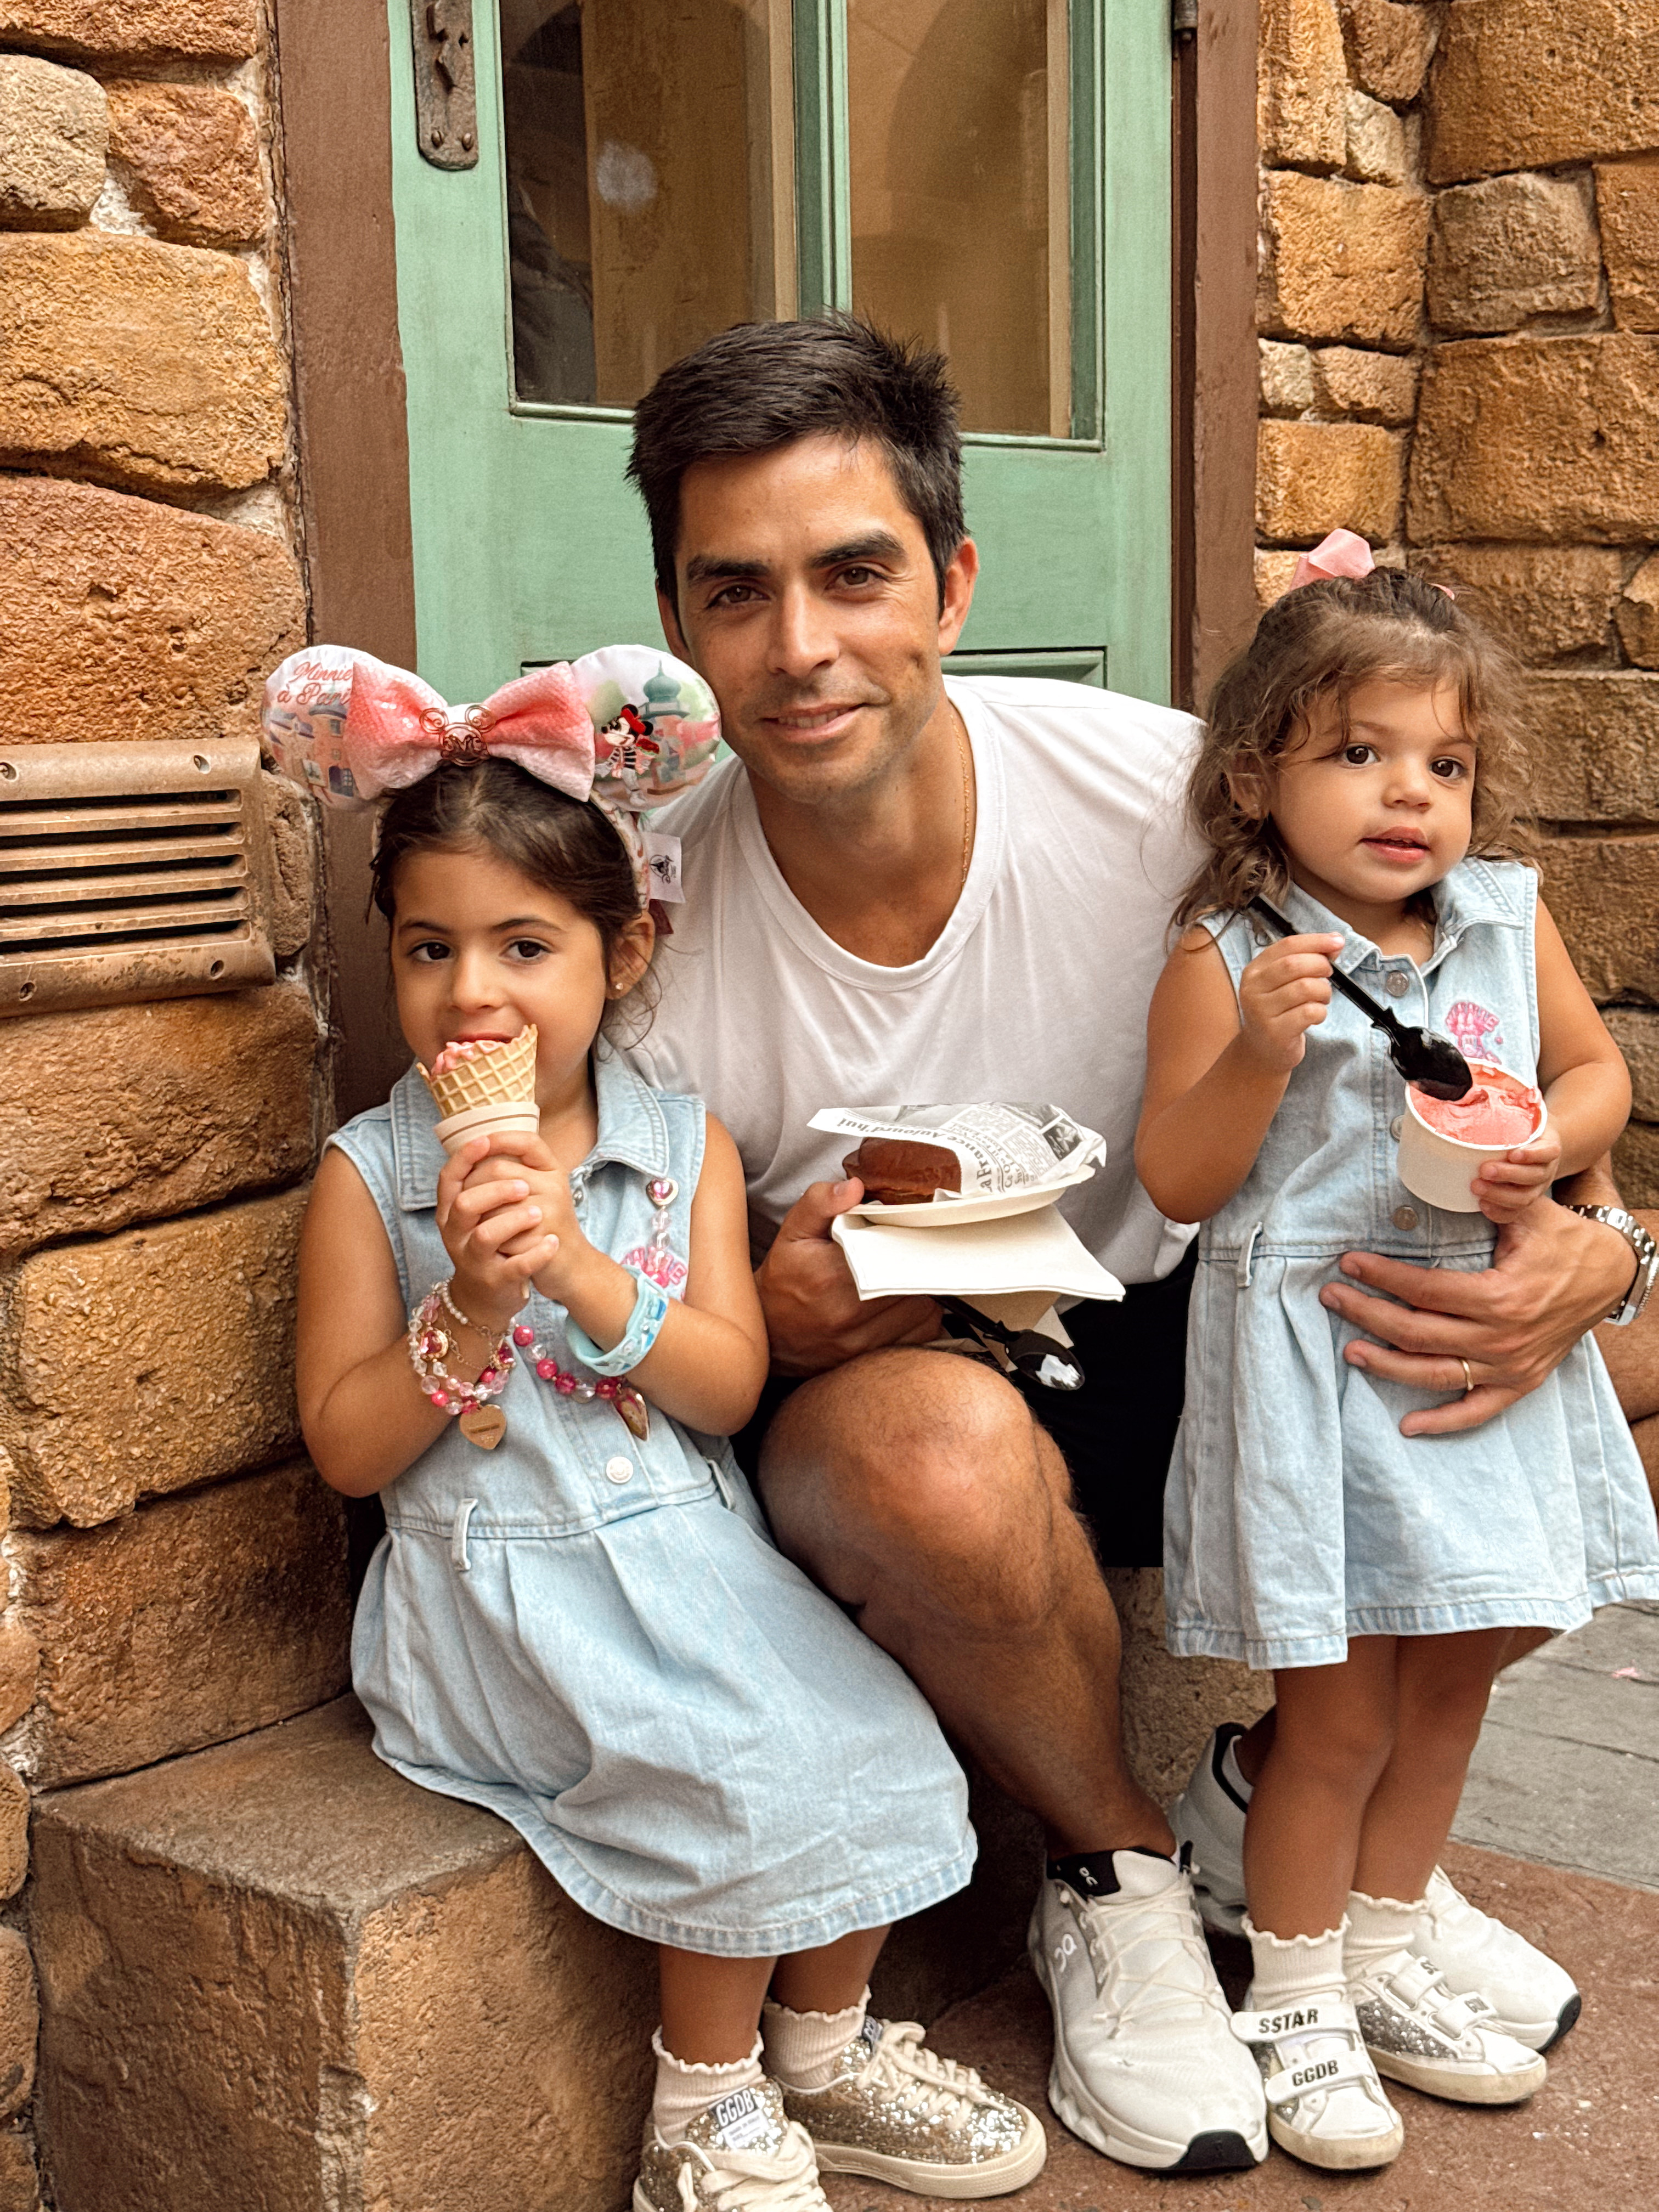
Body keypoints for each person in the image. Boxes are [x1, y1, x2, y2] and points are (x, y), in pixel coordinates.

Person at [620, 318, 1655, 2175]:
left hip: (1244, 1321)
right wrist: (779, 1315)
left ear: (951, 578)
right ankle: (1123, 1876)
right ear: (684, 624)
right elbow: (653, 1336)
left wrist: (1599, 1246)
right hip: (930, 1386)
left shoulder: (1168, 786)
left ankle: (1311, 1830)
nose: (801, 648)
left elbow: (1476, 1002)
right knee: (925, 1448)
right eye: (736, 591)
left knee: (1647, 1332)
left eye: (854, 573)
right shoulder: (650, 936)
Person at [277, 644, 1048, 2212]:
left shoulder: (680, 1145)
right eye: (428, 949)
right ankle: (700, 2111)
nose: (471, 994)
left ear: (624, 953)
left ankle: (819, 2061)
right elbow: (348, 1449)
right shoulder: (373, 1177)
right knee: (731, 1771)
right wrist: (472, 1314)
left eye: (524, 947)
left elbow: (725, 1387)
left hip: (692, 1554)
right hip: (499, 1585)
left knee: (885, 1738)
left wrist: (569, 1266)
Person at [1136, 550, 1659, 2170]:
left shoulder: (1503, 918)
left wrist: (1542, 1144)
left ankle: (1380, 1946)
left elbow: (1596, 1076)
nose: (1407, 796)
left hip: (1479, 1361)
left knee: (1452, 1695)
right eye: (1357, 753)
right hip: (1320, 1361)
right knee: (1341, 1717)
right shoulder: (1228, 952)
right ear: (1256, 772)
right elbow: (1177, 1179)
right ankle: (1291, 2002)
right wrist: (1261, 1047)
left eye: (1445, 764)